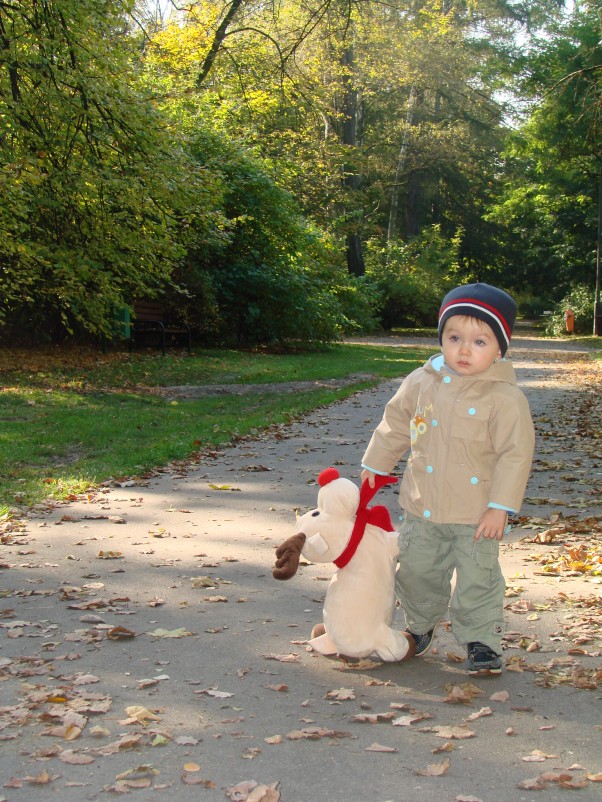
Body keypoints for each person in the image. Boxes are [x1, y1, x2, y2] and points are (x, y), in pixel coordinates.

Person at [361, 283, 535, 675]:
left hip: (477, 514)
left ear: (500, 348)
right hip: (423, 504)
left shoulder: (505, 398)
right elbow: (395, 425)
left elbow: (515, 454)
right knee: (418, 571)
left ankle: (481, 642)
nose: (464, 349)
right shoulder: (421, 382)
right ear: (441, 338)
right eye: (454, 337)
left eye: (479, 341)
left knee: (478, 578)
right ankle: (418, 627)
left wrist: (500, 507)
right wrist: (376, 466)